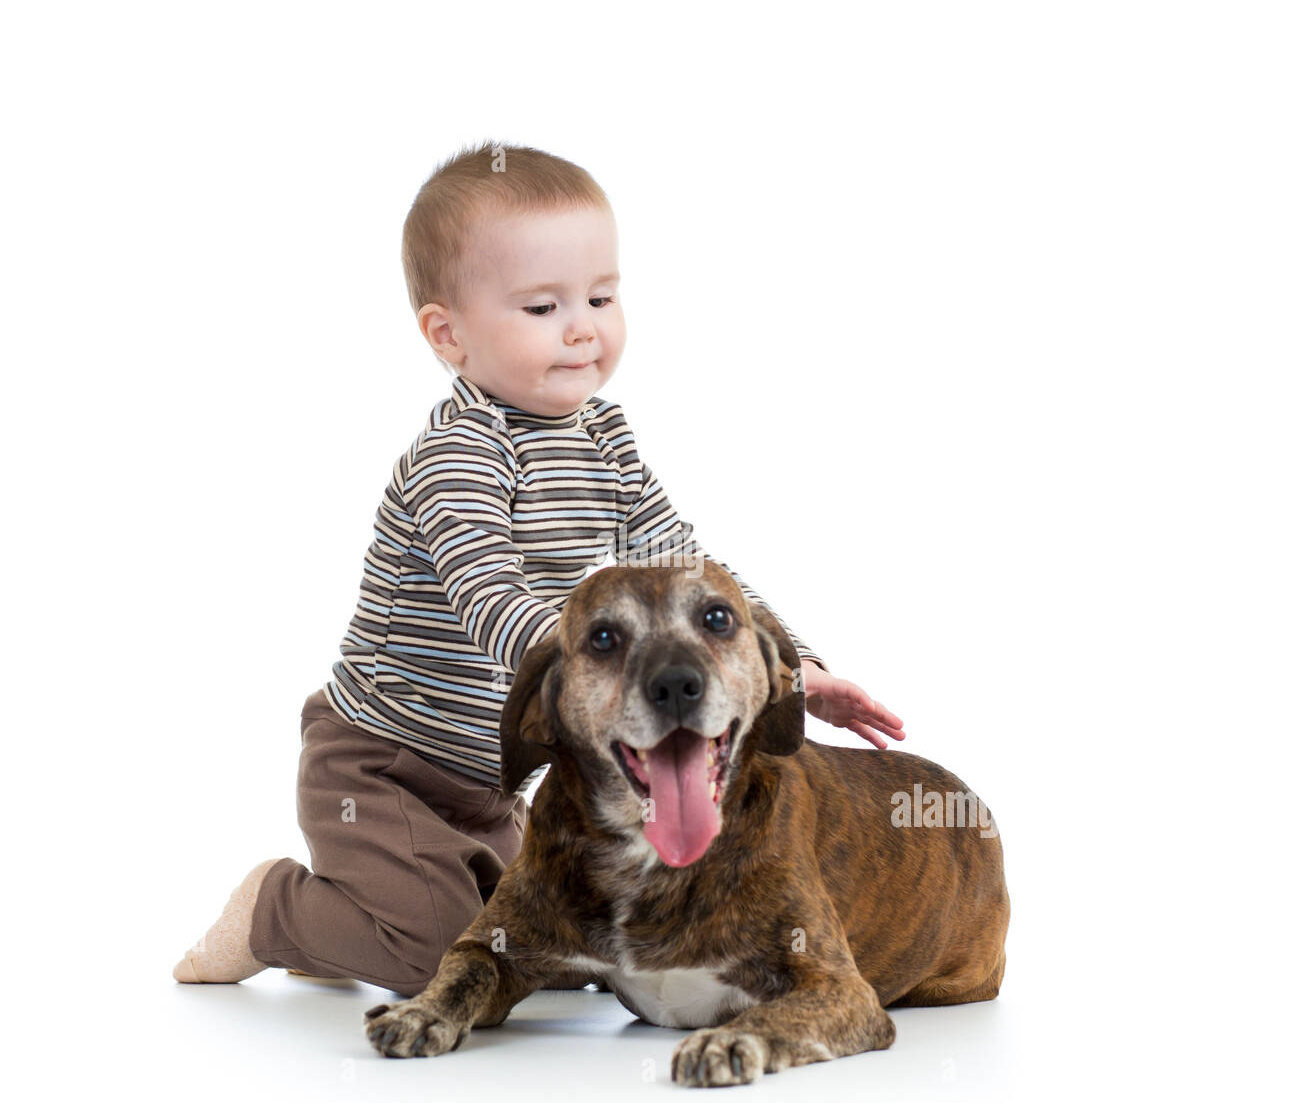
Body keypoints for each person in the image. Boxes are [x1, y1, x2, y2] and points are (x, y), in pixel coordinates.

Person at [171, 141, 905, 997]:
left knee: (554, 949)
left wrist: (797, 669)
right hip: (382, 762)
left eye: (601, 296)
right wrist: (604, 661)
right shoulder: (459, 453)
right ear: (448, 334)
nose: (583, 327)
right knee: (436, 953)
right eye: (541, 306)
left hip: (493, 780)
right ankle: (277, 910)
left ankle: (355, 918)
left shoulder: (607, 440)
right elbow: (489, 597)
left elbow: (695, 568)